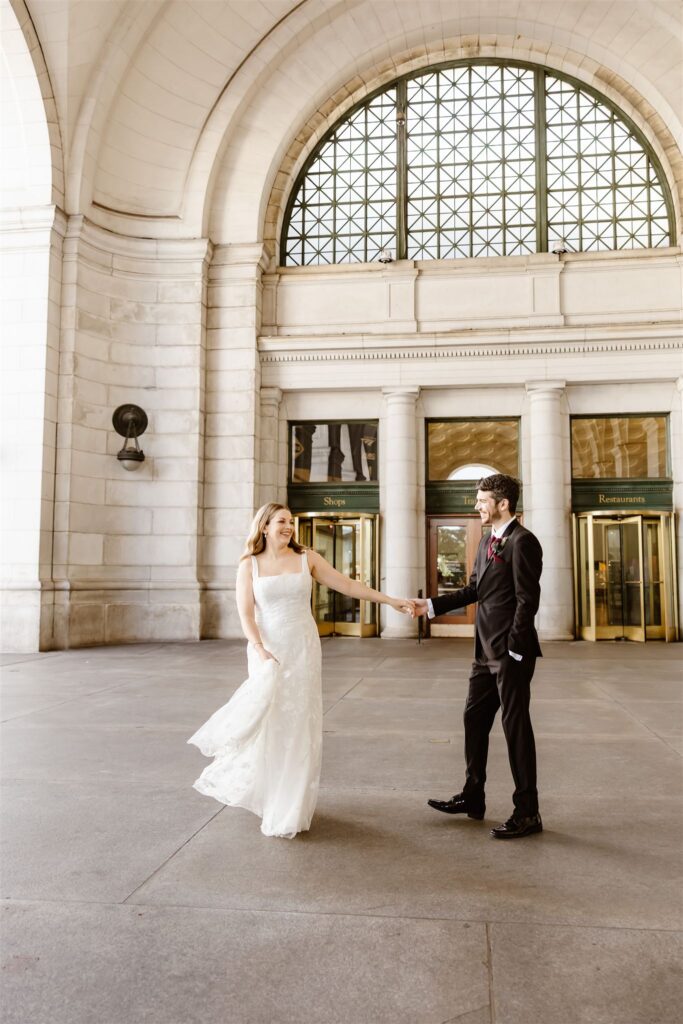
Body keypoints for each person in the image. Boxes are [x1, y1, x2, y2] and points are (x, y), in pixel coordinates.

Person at [188, 502, 412, 838]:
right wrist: (260, 649)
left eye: (290, 522)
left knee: (298, 724)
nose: (288, 527)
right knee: (270, 722)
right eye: (281, 521)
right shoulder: (249, 564)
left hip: (302, 649)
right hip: (268, 651)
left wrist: (391, 600)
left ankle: (290, 805)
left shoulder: (307, 558)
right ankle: (268, 793)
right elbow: (246, 614)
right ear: (264, 526)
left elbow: (348, 585)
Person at [411, 474, 543, 839]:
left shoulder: (524, 542)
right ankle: (473, 796)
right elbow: (474, 590)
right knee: (473, 719)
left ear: (503, 503)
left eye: (482, 500)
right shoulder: (487, 540)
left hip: (511, 653)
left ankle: (528, 812)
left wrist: (514, 648)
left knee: (515, 727)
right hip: (483, 652)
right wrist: (430, 606)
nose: (477, 506)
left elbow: (527, 600)